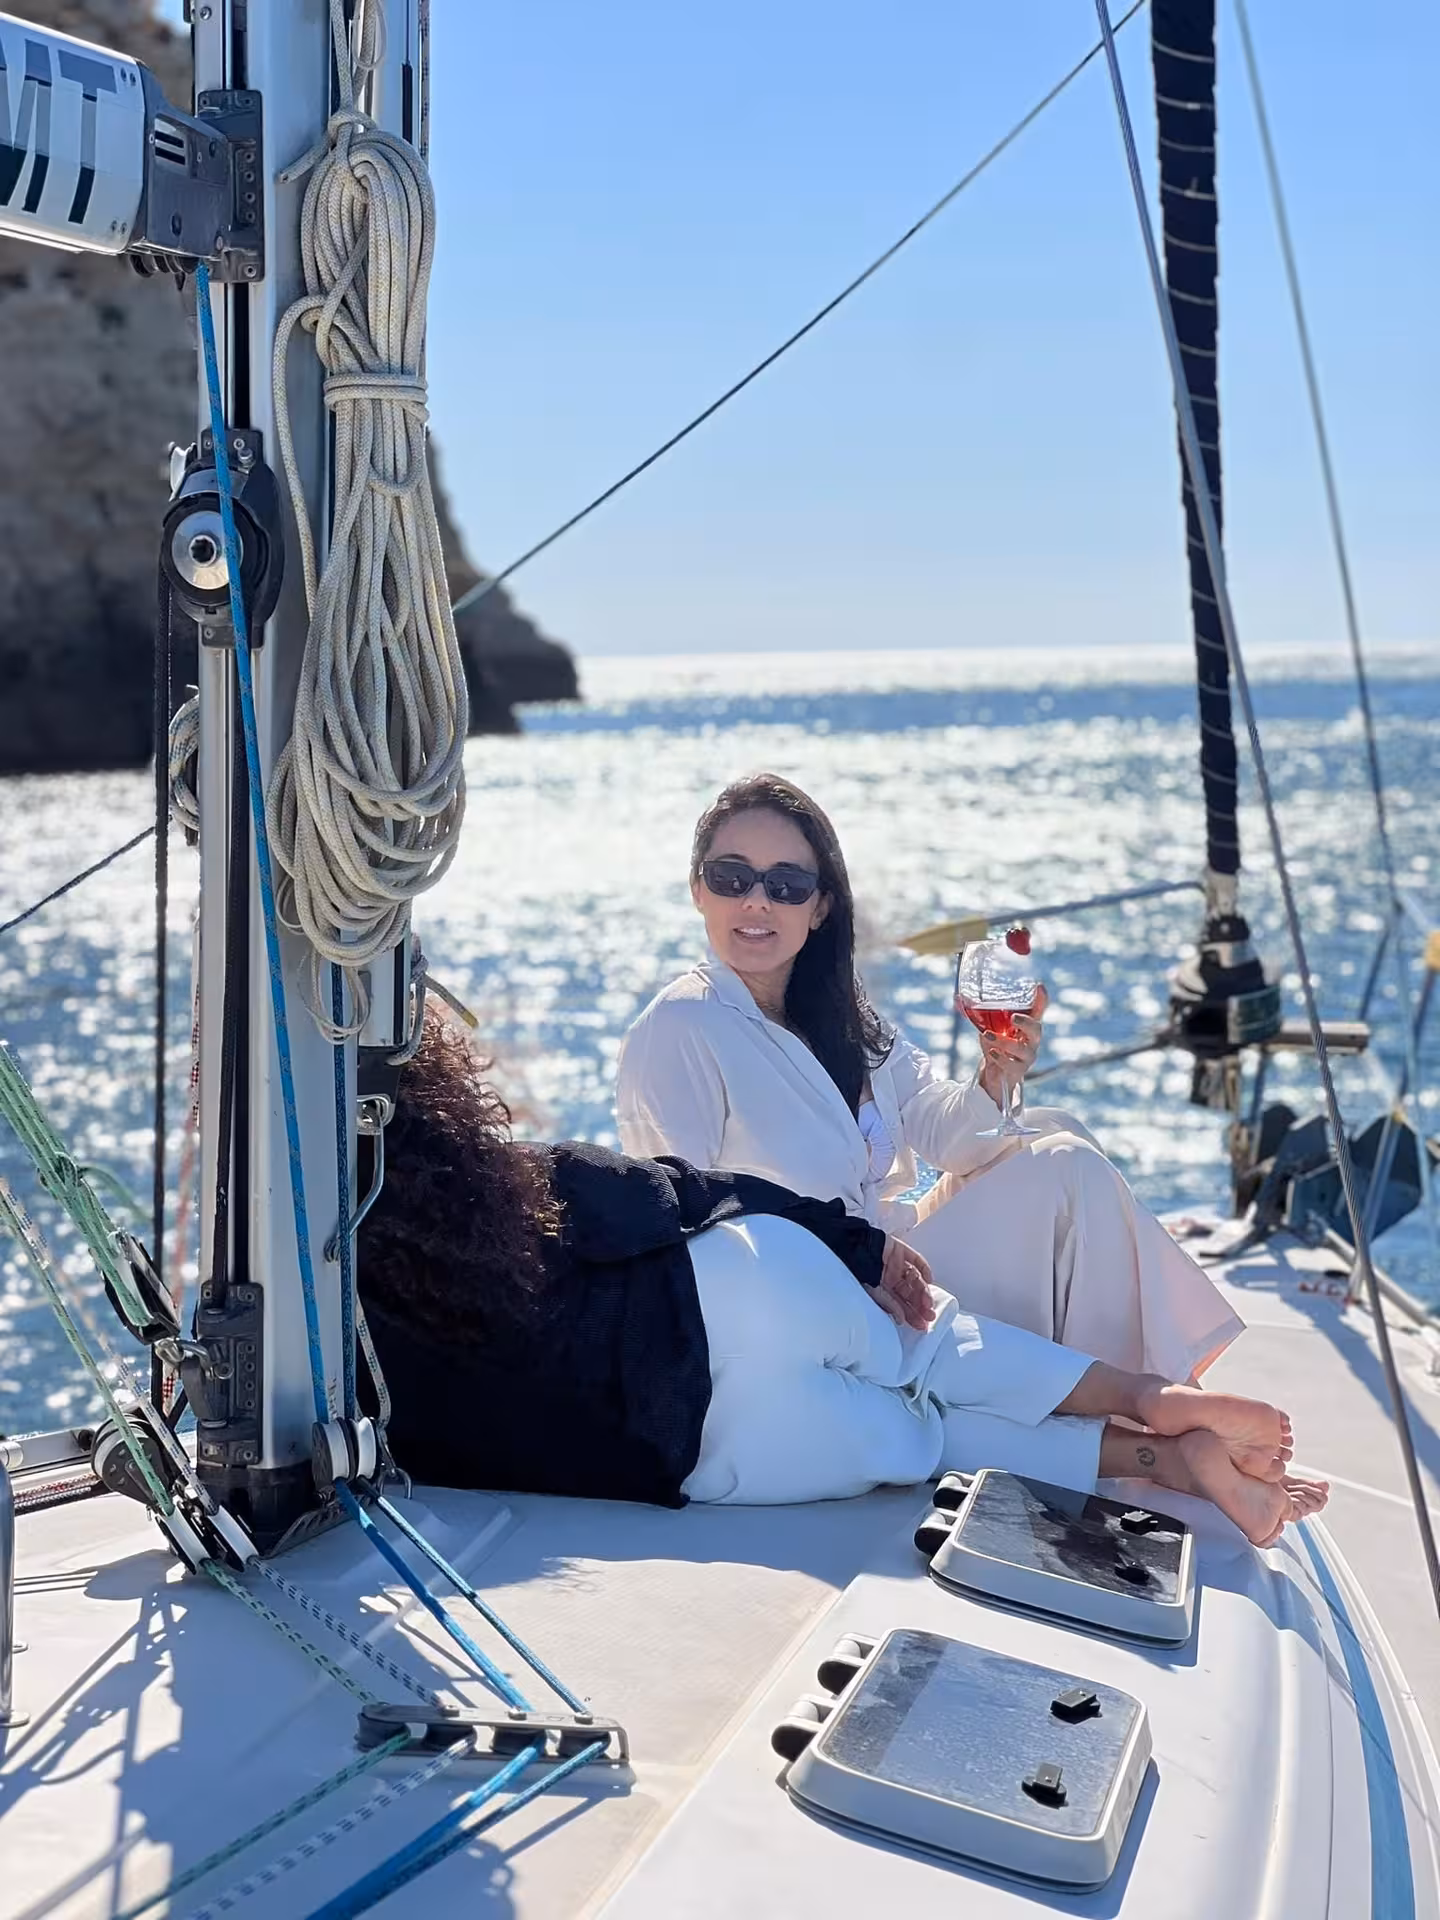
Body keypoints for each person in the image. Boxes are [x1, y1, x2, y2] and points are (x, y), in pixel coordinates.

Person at [355, 1015, 1327, 1548]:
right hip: (739, 1292)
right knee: (939, 1354)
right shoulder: (507, 1187)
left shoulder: (354, 1362)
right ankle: (1157, 1401)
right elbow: (681, 1189)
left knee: (934, 1441)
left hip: (703, 1446)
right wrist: (854, 1245)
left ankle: (1165, 1463)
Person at [616, 772, 1242, 1383]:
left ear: (821, 906)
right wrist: (850, 1262)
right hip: (819, 1297)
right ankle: (1151, 1397)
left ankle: (1142, 1390)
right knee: (1068, 1168)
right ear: (699, 890)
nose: (757, 901)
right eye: (732, 877)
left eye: (787, 884)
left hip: (897, 1269)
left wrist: (996, 1076)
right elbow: (684, 1217)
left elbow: (946, 1138)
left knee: (1057, 1133)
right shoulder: (683, 1024)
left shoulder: (838, 1015)